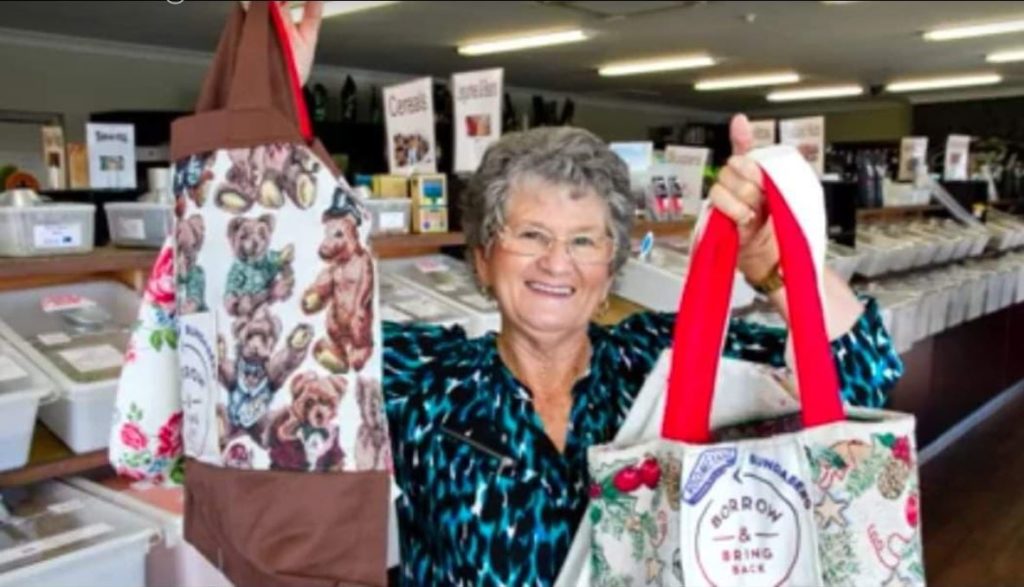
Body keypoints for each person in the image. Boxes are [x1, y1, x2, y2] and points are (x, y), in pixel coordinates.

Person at [160, 3, 904, 585]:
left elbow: (864, 368)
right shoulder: (423, 377)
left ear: (611, 266)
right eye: (530, 236)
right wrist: (274, 107)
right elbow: (259, 344)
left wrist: (774, 263)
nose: (558, 262)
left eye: (584, 240)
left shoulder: (664, 359)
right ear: (483, 259)